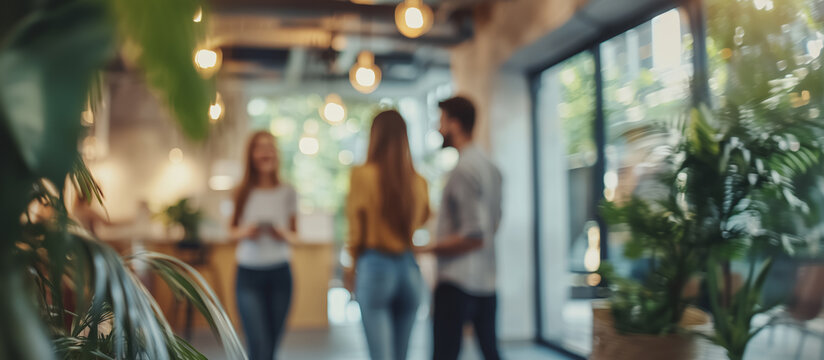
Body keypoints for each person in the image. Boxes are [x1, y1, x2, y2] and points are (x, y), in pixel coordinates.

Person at [346, 110, 431, 360]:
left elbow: (356, 230)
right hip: (409, 268)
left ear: (375, 136)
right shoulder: (418, 181)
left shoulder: (362, 175)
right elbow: (425, 217)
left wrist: (350, 268)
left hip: (375, 266)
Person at [424, 96, 503, 360]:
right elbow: (493, 223)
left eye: (441, 121)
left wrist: (427, 248)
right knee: (490, 351)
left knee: (444, 354)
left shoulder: (463, 170)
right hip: (486, 278)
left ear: (454, 124)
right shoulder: (490, 167)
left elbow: (474, 235)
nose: (438, 128)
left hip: (457, 281)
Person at [229, 131, 299, 360]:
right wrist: (246, 232)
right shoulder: (240, 192)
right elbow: (230, 232)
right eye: (260, 148)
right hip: (248, 275)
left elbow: (295, 236)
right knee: (257, 344)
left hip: (280, 274)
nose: (266, 152)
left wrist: (282, 234)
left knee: (270, 348)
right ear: (251, 155)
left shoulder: (288, 192)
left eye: (270, 147)